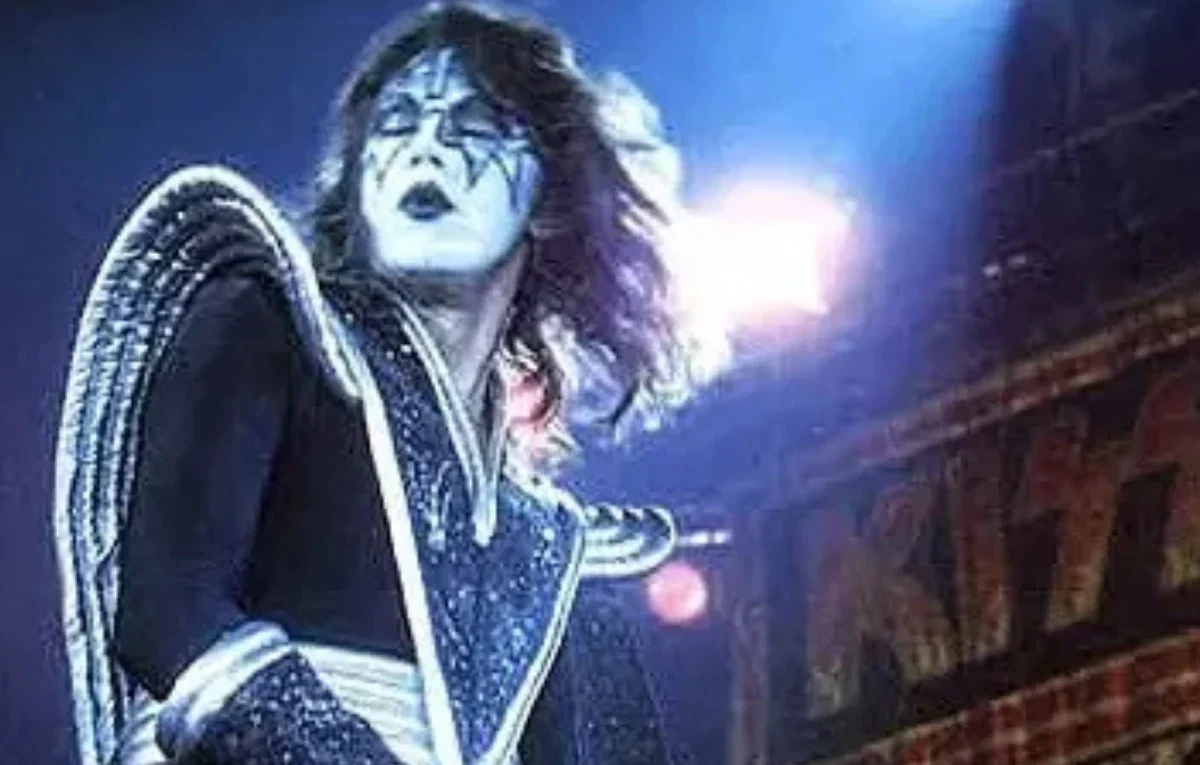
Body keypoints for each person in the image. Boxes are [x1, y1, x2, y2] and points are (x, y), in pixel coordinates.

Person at [52, 4, 695, 765]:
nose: (426, 146)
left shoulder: (546, 544)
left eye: (475, 126)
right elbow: (165, 611)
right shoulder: (265, 322)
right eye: (396, 124)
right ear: (356, 180)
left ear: (549, 199)